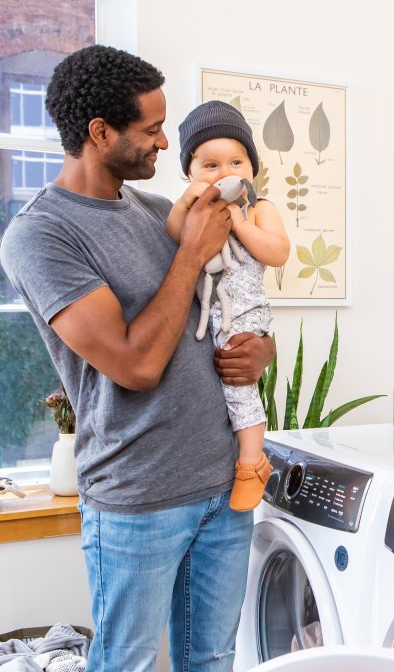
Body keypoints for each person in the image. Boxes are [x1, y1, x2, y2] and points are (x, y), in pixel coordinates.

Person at [0, 45, 275, 672]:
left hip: (222, 489)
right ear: (99, 133)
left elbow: (228, 308)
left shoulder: (159, 213)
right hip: (136, 500)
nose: (163, 142)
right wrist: (189, 255)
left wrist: (260, 352)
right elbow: (134, 362)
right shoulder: (41, 236)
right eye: (150, 129)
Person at [167, 100, 290, 512]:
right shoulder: (196, 210)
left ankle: (252, 463)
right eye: (211, 165)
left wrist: (239, 223)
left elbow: (278, 252)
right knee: (222, 386)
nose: (226, 173)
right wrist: (187, 204)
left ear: (252, 168)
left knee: (241, 387)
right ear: (191, 173)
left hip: (245, 311)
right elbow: (175, 237)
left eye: (237, 161)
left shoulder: (259, 209)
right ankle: (244, 458)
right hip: (210, 313)